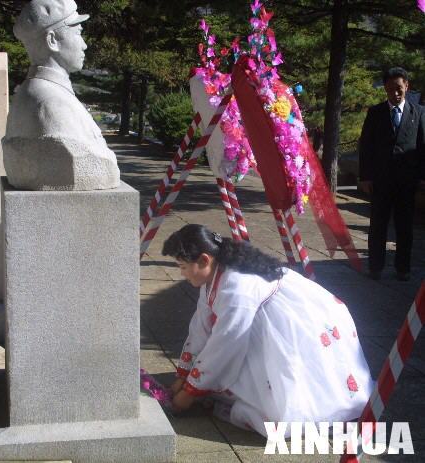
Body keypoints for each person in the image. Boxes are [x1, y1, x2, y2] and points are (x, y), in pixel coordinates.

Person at [162, 224, 373, 437]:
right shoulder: (215, 274)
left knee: (280, 404)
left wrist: (189, 391)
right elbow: (201, 326)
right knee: (234, 369)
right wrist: (183, 376)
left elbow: (225, 342)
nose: (182, 274)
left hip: (293, 322)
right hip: (261, 319)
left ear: (204, 260)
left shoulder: (235, 286)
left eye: (183, 267)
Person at [3, 0, 120, 191]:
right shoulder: (52, 105)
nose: (84, 45)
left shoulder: (32, 94)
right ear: (52, 41)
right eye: (78, 33)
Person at [359, 67, 425, 281]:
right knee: (378, 225)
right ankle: (375, 267)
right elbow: (366, 146)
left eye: (398, 89)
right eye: (390, 90)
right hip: (380, 180)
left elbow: (422, 148)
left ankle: (402, 268)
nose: (395, 94)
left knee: (404, 226)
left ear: (407, 86)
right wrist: (365, 177)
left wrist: (421, 180)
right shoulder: (375, 113)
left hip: (407, 182)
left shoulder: (419, 113)